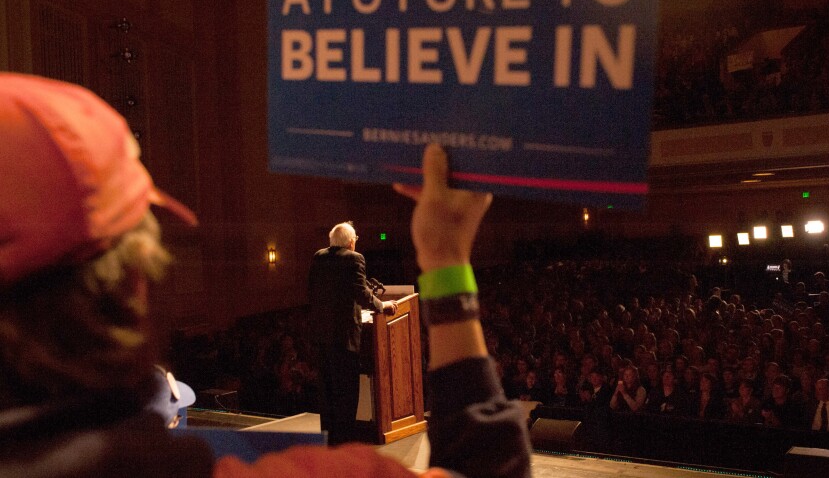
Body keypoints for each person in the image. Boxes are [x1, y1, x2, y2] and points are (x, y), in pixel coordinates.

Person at [0, 73, 531, 477]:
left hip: (327, 337)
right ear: (132, 285)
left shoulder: (320, 262)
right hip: (348, 338)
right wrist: (445, 259)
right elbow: (486, 466)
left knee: (335, 401)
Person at [307, 220, 398, 445]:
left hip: (322, 335)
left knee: (327, 392)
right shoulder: (354, 258)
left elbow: (312, 291)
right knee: (346, 393)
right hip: (345, 336)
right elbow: (362, 294)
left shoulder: (318, 257)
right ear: (350, 242)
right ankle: (346, 442)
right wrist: (382, 306)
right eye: (355, 239)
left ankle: (329, 441)